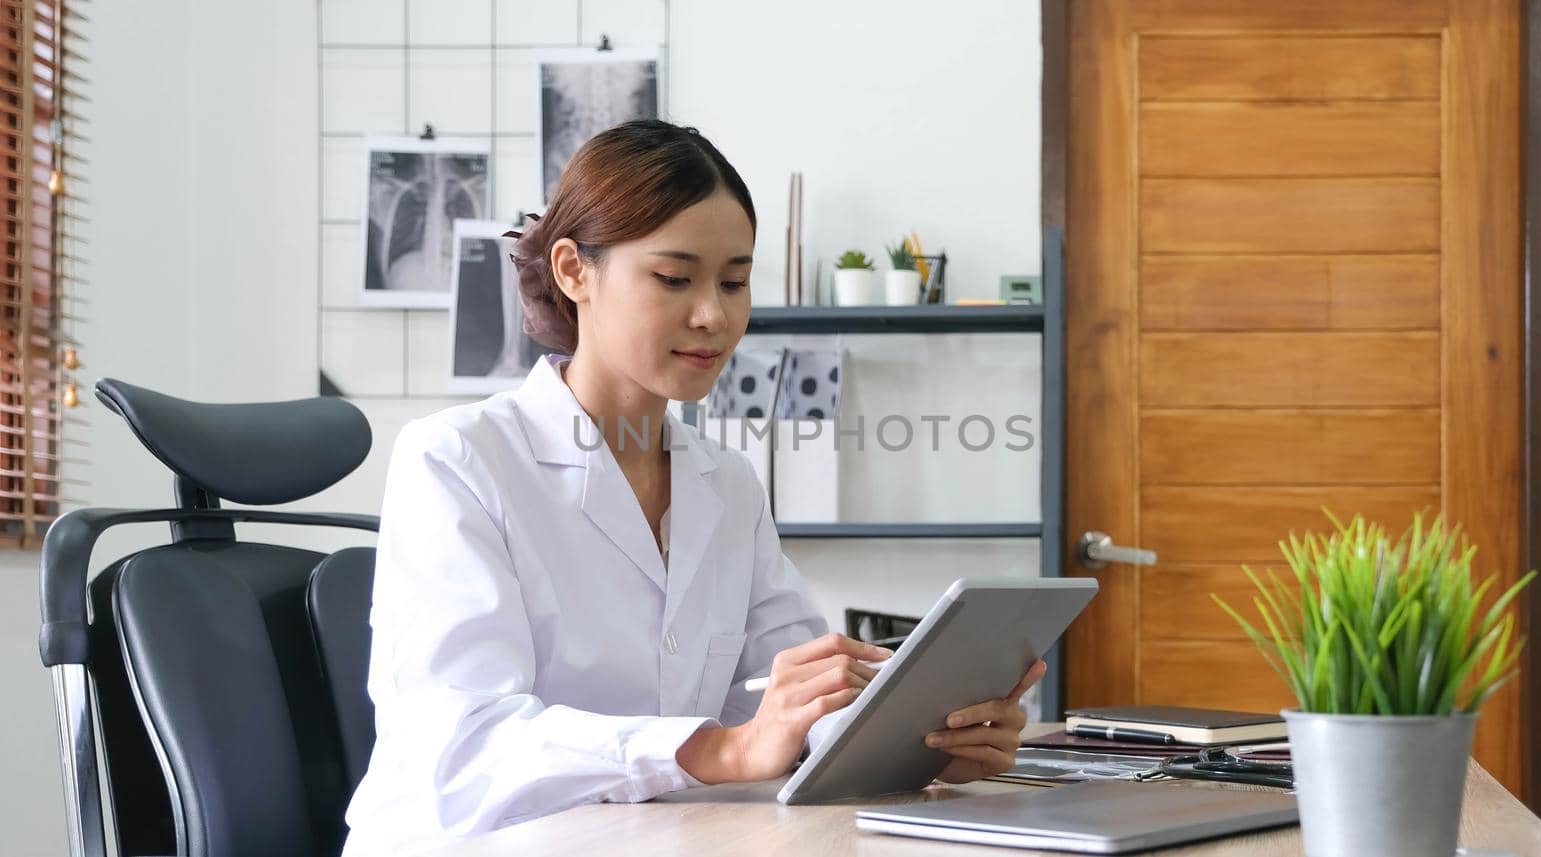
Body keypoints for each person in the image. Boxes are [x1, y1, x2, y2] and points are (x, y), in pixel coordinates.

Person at [341, 119, 1046, 856]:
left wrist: (922, 741)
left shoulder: (727, 483)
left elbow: (801, 686)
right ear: (575, 271)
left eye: (735, 281)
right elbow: (465, 747)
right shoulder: (457, 460)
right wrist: (720, 749)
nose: (714, 314)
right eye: (674, 278)